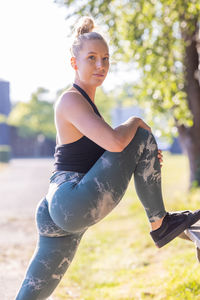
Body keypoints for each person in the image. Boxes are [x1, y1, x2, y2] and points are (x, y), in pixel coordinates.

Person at [15, 16, 200, 300]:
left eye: (105, 58)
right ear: (74, 63)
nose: (100, 65)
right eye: (91, 58)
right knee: (137, 134)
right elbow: (116, 142)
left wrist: (143, 159)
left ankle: (160, 220)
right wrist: (136, 122)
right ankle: (160, 223)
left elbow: (110, 151)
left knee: (32, 294)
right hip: (70, 199)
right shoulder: (70, 100)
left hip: (59, 208)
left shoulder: (86, 106)